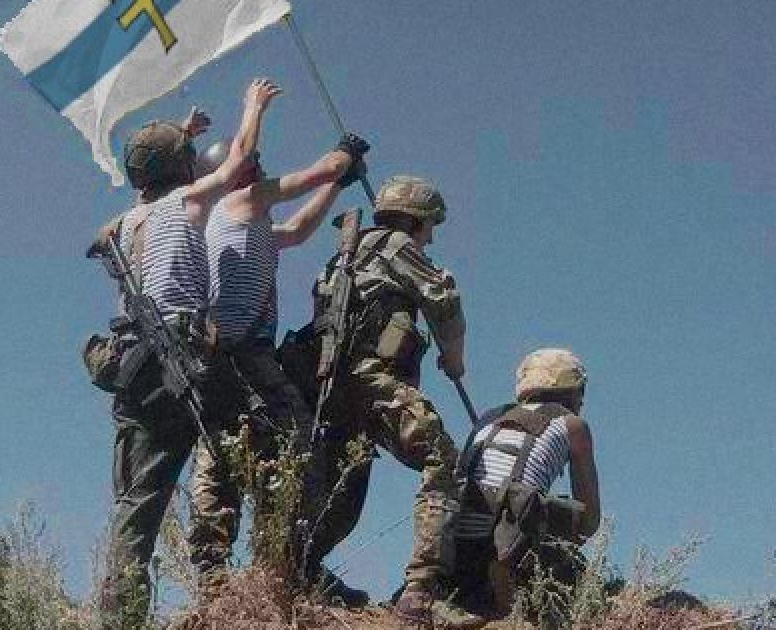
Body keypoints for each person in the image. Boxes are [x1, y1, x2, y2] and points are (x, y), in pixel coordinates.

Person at [184, 77, 371, 597]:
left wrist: (338, 185)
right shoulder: (241, 201)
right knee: (300, 448)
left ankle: (215, 575)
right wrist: (343, 157)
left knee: (221, 450)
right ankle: (287, 563)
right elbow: (315, 171)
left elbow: (299, 230)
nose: (262, 169)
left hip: (222, 354)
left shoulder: (242, 219)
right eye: (256, 165)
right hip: (247, 354)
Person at [93, 81, 267, 629]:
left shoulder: (125, 224)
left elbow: (153, 174)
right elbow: (237, 160)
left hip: (137, 370)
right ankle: (266, 575)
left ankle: (122, 618)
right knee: (261, 448)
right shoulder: (188, 203)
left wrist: (180, 134)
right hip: (183, 363)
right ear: (182, 168)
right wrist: (253, 107)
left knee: (138, 504)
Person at [300, 175, 483, 628]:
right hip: (372, 378)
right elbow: (444, 301)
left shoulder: (343, 256)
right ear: (416, 220)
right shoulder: (398, 245)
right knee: (441, 457)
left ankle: (300, 567)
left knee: (348, 476)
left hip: (331, 386)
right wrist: (454, 358)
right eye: (430, 226)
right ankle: (422, 591)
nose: (430, 237)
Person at [450, 348, 601, 620]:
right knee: (565, 526)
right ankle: (510, 590)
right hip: (506, 552)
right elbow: (589, 522)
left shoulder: (488, 419)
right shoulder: (573, 426)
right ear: (571, 391)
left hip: (454, 554)